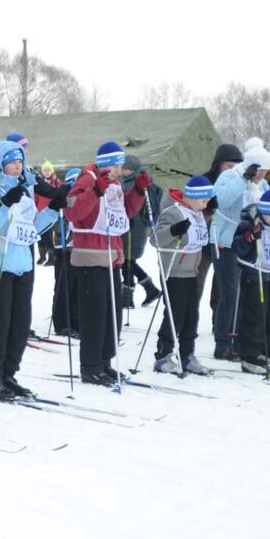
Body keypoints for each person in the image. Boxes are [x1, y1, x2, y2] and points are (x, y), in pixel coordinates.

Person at [0, 140, 60, 400]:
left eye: (20, 161)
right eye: (11, 162)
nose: (17, 166)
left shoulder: (25, 193)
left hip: (21, 265)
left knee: (20, 325)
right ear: (0, 165)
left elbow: (31, 229)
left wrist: (53, 210)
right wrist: (4, 204)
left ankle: (8, 374)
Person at [65, 141, 147, 386]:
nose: (119, 170)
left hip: (111, 255)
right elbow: (72, 211)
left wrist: (138, 191)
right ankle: (90, 366)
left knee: (112, 313)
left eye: (120, 166)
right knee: (95, 314)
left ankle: (104, 361)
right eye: (116, 165)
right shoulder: (87, 179)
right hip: (91, 254)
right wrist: (96, 190)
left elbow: (125, 212)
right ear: (105, 164)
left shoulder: (115, 184)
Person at [211, 139, 270, 361]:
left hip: (250, 243)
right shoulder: (230, 176)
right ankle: (223, 342)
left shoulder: (263, 185)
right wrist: (243, 178)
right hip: (226, 241)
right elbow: (221, 201)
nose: (260, 175)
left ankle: (242, 340)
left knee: (247, 294)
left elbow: (269, 208)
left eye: (264, 171)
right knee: (230, 294)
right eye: (257, 170)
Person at [151, 176, 215, 375]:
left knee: (191, 317)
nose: (205, 205)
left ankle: (187, 354)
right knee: (174, 315)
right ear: (192, 197)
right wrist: (173, 230)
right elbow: (155, 239)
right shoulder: (173, 212)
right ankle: (163, 355)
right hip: (174, 271)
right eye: (203, 200)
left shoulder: (197, 214)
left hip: (191, 272)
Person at [231, 190, 270, 374]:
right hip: (253, 276)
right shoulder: (249, 223)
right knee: (254, 317)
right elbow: (237, 248)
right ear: (262, 210)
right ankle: (249, 356)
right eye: (269, 214)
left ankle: (266, 349)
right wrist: (249, 237)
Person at [195, 143, 244, 301]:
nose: (233, 169)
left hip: (226, 241)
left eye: (236, 166)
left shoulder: (240, 182)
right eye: (229, 166)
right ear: (218, 164)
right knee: (197, 282)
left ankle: (218, 315)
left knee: (223, 286)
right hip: (203, 239)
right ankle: (189, 313)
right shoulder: (205, 180)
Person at [119, 155, 163, 309]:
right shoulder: (139, 180)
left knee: (126, 261)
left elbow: (132, 207)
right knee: (128, 261)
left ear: (130, 169)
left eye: (123, 168)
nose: (120, 170)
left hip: (132, 228)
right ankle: (148, 290)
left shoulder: (135, 183)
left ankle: (129, 297)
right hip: (136, 228)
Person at [50, 168, 81, 338]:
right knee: (64, 288)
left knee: (76, 288)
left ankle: (75, 322)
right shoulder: (63, 198)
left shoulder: (82, 198)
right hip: (65, 250)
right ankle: (61, 323)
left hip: (79, 250)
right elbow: (56, 224)